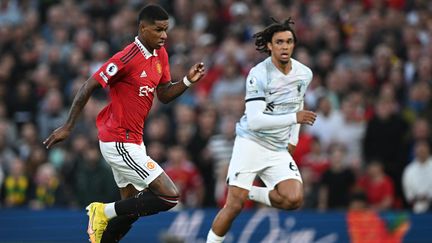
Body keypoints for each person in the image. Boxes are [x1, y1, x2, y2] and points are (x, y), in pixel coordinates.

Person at [43, 4, 206, 243]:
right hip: (118, 140)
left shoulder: (160, 54)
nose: (164, 35)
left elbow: (164, 94)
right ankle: (102, 210)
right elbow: (88, 85)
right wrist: (68, 126)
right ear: (143, 27)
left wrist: (188, 81)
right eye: (159, 30)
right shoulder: (127, 57)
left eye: (166, 30)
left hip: (134, 141)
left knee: (132, 210)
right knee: (170, 197)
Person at [206, 17, 316, 243]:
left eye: (288, 42)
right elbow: (255, 121)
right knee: (234, 206)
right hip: (251, 142)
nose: (284, 46)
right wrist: (294, 118)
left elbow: (298, 101)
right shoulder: (258, 74)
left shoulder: (304, 73)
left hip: (277, 147)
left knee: (293, 199)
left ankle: (248, 191)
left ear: (294, 45)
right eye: (279, 42)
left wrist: (293, 137)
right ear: (270, 46)